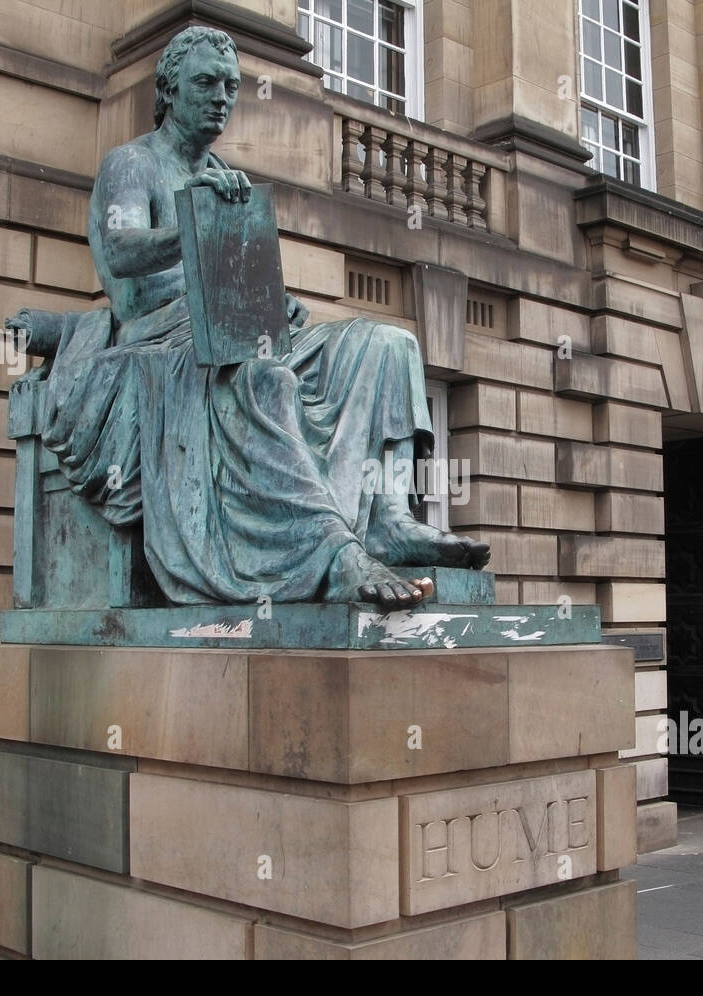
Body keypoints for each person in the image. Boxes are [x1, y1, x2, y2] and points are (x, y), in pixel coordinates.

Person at [37, 26, 489, 611]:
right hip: (163, 338)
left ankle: (390, 516)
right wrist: (191, 221)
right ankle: (332, 553)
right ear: (169, 90)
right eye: (206, 82)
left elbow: (236, 274)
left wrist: (277, 302)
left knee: (388, 343)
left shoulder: (226, 173)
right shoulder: (131, 164)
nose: (222, 96)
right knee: (263, 377)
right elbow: (120, 251)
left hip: (237, 327)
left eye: (231, 85)